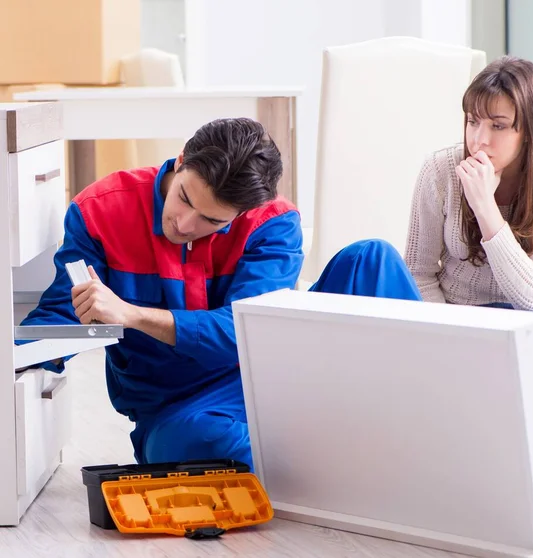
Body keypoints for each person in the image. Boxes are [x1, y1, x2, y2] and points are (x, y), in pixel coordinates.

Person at [18, 117, 421, 469]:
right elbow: (66, 310)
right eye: (184, 198)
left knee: (373, 259)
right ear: (180, 162)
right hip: (180, 409)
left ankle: (418, 433)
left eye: (210, 219)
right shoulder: (99, 210)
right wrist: (17, 357)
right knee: (197, 444)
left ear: (242, 213)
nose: (184, 223)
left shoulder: (273, 223)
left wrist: (131, 314)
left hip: (276, 374)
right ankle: (343, 453)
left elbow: (243, 333)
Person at [404, 55, 533, 313]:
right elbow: (418, 272)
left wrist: (484, 205)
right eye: (473, 121)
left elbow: (530, 298)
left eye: (498, 126)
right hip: (457, 315)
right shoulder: (440, 169)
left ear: (529, 132)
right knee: (370, 256)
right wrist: (447, 330)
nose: (479, 140)